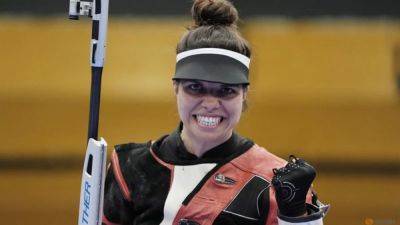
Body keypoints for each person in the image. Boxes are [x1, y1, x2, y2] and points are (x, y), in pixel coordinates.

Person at [102, 0, 329, 224]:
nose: (210, 103)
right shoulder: (129, 167)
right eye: (195, 88)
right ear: (176, 88)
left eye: (226, 91)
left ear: (244, 94)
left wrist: (296, 216)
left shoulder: (276, 182)